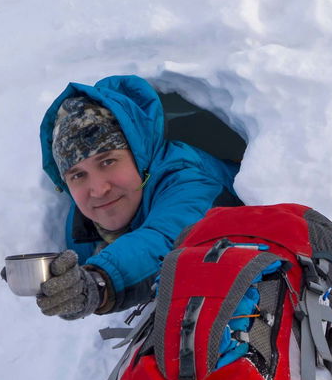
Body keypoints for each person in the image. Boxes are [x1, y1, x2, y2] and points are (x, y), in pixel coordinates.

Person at [35, 75, 242, 320]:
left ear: (138, 155)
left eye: (108, 161)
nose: (98, 189)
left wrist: (100, 280)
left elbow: (167, 238)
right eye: (77, 175)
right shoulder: (87, 217)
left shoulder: (190, 181)